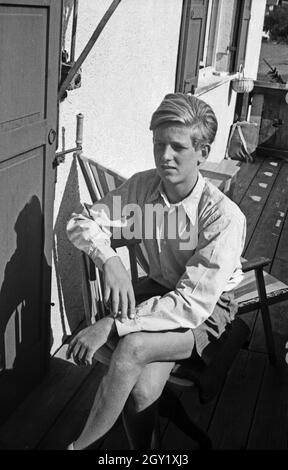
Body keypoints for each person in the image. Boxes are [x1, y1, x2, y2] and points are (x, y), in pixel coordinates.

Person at [66, 93, 246, 450]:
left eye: (177, 147)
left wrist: (109, 324)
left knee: (131, 349)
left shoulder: (222, 218)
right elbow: (81, 222)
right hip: (159, 289)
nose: (165, 156)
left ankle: (79, 447)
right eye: (158, 144)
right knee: (142, 390)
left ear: (203, 152)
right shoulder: (145, 188)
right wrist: (110, 261)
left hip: (206, 310)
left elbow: (190, 305)